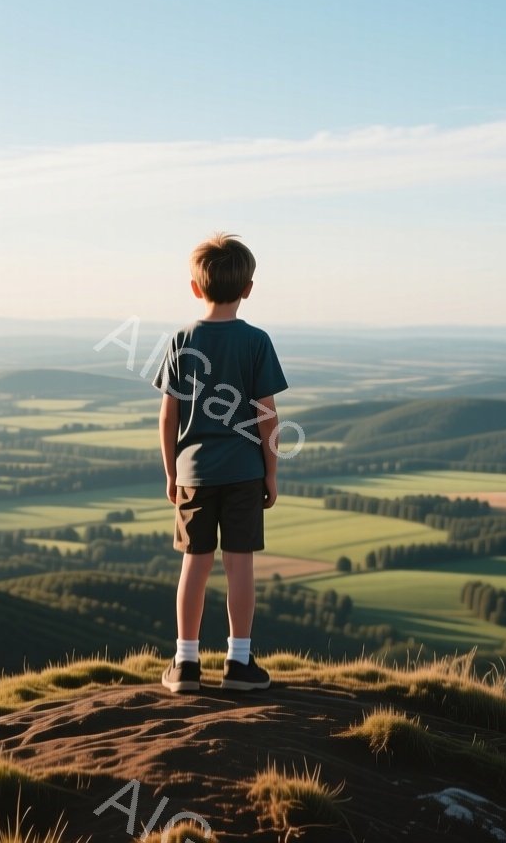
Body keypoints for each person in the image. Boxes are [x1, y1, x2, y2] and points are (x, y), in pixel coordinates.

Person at [153, 233, 288, 693]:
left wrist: (172, 472)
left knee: (194, 562)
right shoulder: (256, 341)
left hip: (193, 472)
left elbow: (168, 415)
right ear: (248, 288)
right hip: (245, 473)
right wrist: (271, 471)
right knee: (240, 565)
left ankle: (185, 664)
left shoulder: (180, 340)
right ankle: (239, 663)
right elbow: (266, 415)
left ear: (195, 287)